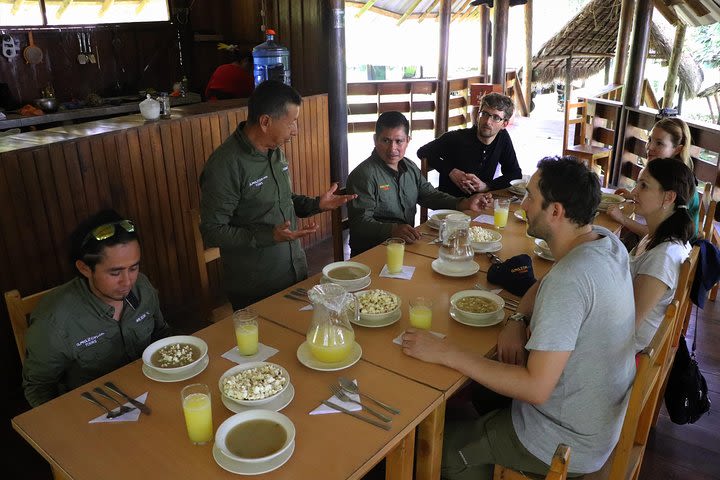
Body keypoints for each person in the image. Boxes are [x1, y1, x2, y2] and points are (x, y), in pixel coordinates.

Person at [401, 156, 636, 479]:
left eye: (531, 197)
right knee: (482, 392)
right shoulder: (605, 243)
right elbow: (543, 284)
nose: (522, 204)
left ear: (555, 212)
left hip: (562, 441)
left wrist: (445, 352)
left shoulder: (570, 281)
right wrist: (517, 320)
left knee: (425, 453)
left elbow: (535, 388)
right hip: (594, 420)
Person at [200, 80, 355, 309]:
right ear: (265, 122)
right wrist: (268, 236)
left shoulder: (275, 152)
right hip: (256, 288)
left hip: (294, 273)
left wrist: (317, 204)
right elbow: (212, 233)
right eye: (292, 122)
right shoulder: (225, 165)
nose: (295, 131)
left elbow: (282, 201)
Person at [22, 210, 170, 407]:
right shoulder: (54, 323)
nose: (127, 281)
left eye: (133, 268)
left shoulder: (142, 286)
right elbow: (38, 388)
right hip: (95, 410)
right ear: (84, 268)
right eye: (115, 272)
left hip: (154, 393)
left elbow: (161, 333)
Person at [346, 111, 492, 256]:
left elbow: (430, 195)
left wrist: (464, 203)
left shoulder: (409, 167)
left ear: (408, 140)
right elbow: (360, 224)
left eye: (399, 141)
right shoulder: (364, 175)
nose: (392, 149)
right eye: (385, 140)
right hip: (372, 253)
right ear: (375, 139)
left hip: (405, 247)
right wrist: (392, 230)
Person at [626, 158, 694, 352]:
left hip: (624, 357)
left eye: (644, 186)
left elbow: (627, 326)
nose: (634, 192)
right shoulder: (658, 236)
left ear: (668, 198)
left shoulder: (662, 258)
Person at [416, 92, 522, 196]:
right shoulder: (457, 138)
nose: (488, 121)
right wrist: (451, 171)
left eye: (496, 117)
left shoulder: (502, 137)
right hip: (451, 206)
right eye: (484, 114)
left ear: (504, 124)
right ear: (477, 116)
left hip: (480, 204)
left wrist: (486, 186)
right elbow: (423, 151)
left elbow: (515, 173)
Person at [608, 117, 699, 236]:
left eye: (659, 143)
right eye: (650, 139)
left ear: (677, 149)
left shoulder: (681, 184)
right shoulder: (661, 173)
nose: (650, 147)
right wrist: (632, 195)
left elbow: (658, 234)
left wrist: (622, 219)